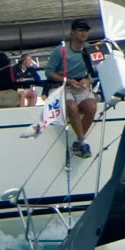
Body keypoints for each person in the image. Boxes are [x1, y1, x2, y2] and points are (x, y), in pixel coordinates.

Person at [46, 19, 103, 156]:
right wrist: (67, 80)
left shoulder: (89, 51)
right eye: (80, 30)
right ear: (72, 32)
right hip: (62, 86)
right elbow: (49, 72)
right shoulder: (61, 51)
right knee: (71, 107)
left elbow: (98, 70)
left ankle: (78, 141)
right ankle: (82, 141)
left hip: (80, 85)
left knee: (91, 107)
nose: (84, 33)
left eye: (86, 30)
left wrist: (88, 81)